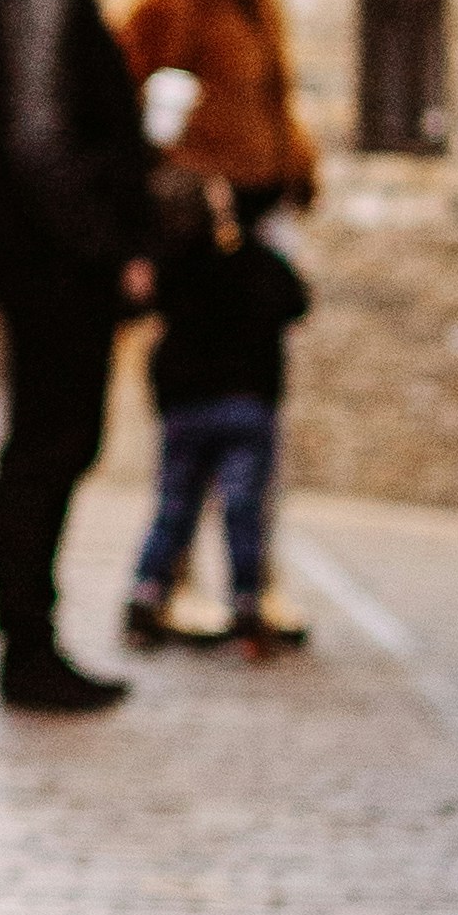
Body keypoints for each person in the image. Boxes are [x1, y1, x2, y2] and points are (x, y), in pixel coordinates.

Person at [0, 0, 153, 715]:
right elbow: (39, 141)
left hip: (47, 261)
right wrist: (107, 249)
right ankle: (26, 647)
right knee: (47, 446)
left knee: (51, 444)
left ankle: (31, 640)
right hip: (50, 268)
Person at [126, 161, 312, 656]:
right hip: (247, 405)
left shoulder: (178, 261)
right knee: (244, 509)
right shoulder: (265, 263)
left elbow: (148, 301)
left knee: (175, 507)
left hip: (186, 405)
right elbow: (297, 304)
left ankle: (146, 600)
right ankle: (249, 606)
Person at [122, 0, 318, 210]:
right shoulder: (176, 0)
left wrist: (296, 167)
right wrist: (185, 176)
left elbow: (271, 99)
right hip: (204, 209)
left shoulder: (257, 0)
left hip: (264, 196)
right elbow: (126, 91)